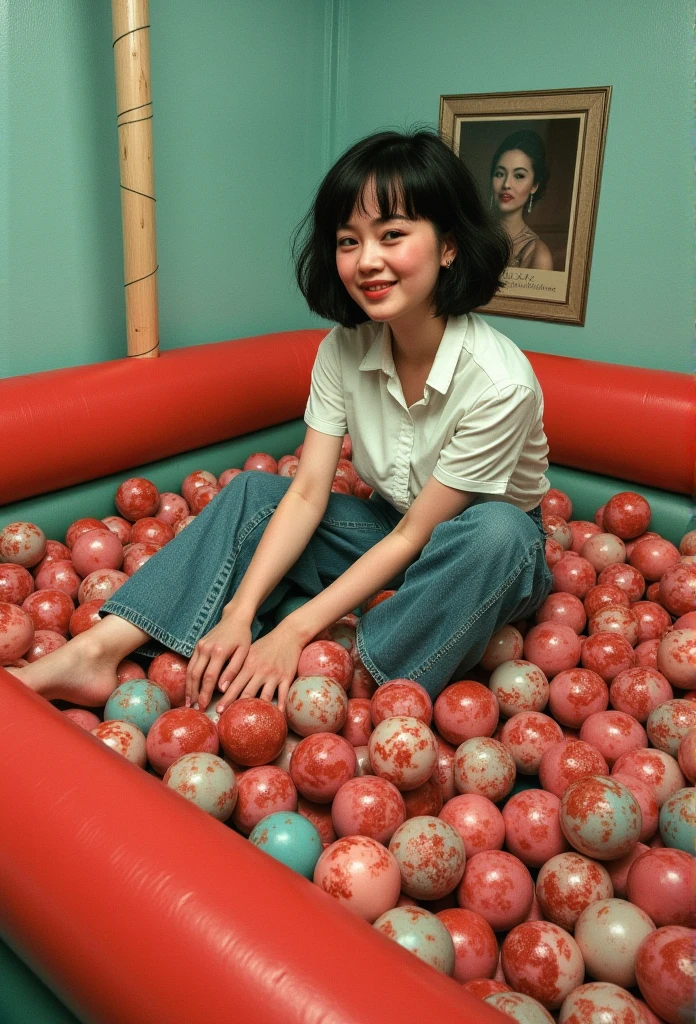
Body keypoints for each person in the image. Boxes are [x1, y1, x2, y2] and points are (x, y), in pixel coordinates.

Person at [9, 130, 552, 715]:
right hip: (389, 526)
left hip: (483, 560)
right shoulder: (342, 351)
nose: (367, 260)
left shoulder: (500, 382)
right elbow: (309, 493)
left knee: (499, 531)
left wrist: (291, 635)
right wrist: (240, 614)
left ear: (448, 246)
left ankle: (362, 689)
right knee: (253, 492)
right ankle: (96, 651)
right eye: (349, 241)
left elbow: (416, 537)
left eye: (392, 235)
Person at [489, 130, 554, 270]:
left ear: (534, 186)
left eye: (519, 176)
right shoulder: (475, 237)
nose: (506, 184)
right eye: (500, 174)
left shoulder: (538, 253)